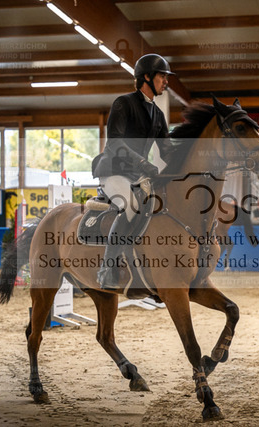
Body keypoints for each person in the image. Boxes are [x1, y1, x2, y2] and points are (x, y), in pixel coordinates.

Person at [91, 53, 176, 290]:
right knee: (131, 205)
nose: (166, 81)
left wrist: (187, 163)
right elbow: (115, 142)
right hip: (113, 171)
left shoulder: (158, 114)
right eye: (162, 76)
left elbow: (167, 150)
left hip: (138, 174)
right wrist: (142, 162)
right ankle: (107, 268)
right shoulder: (124, 103)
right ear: (146, 77)